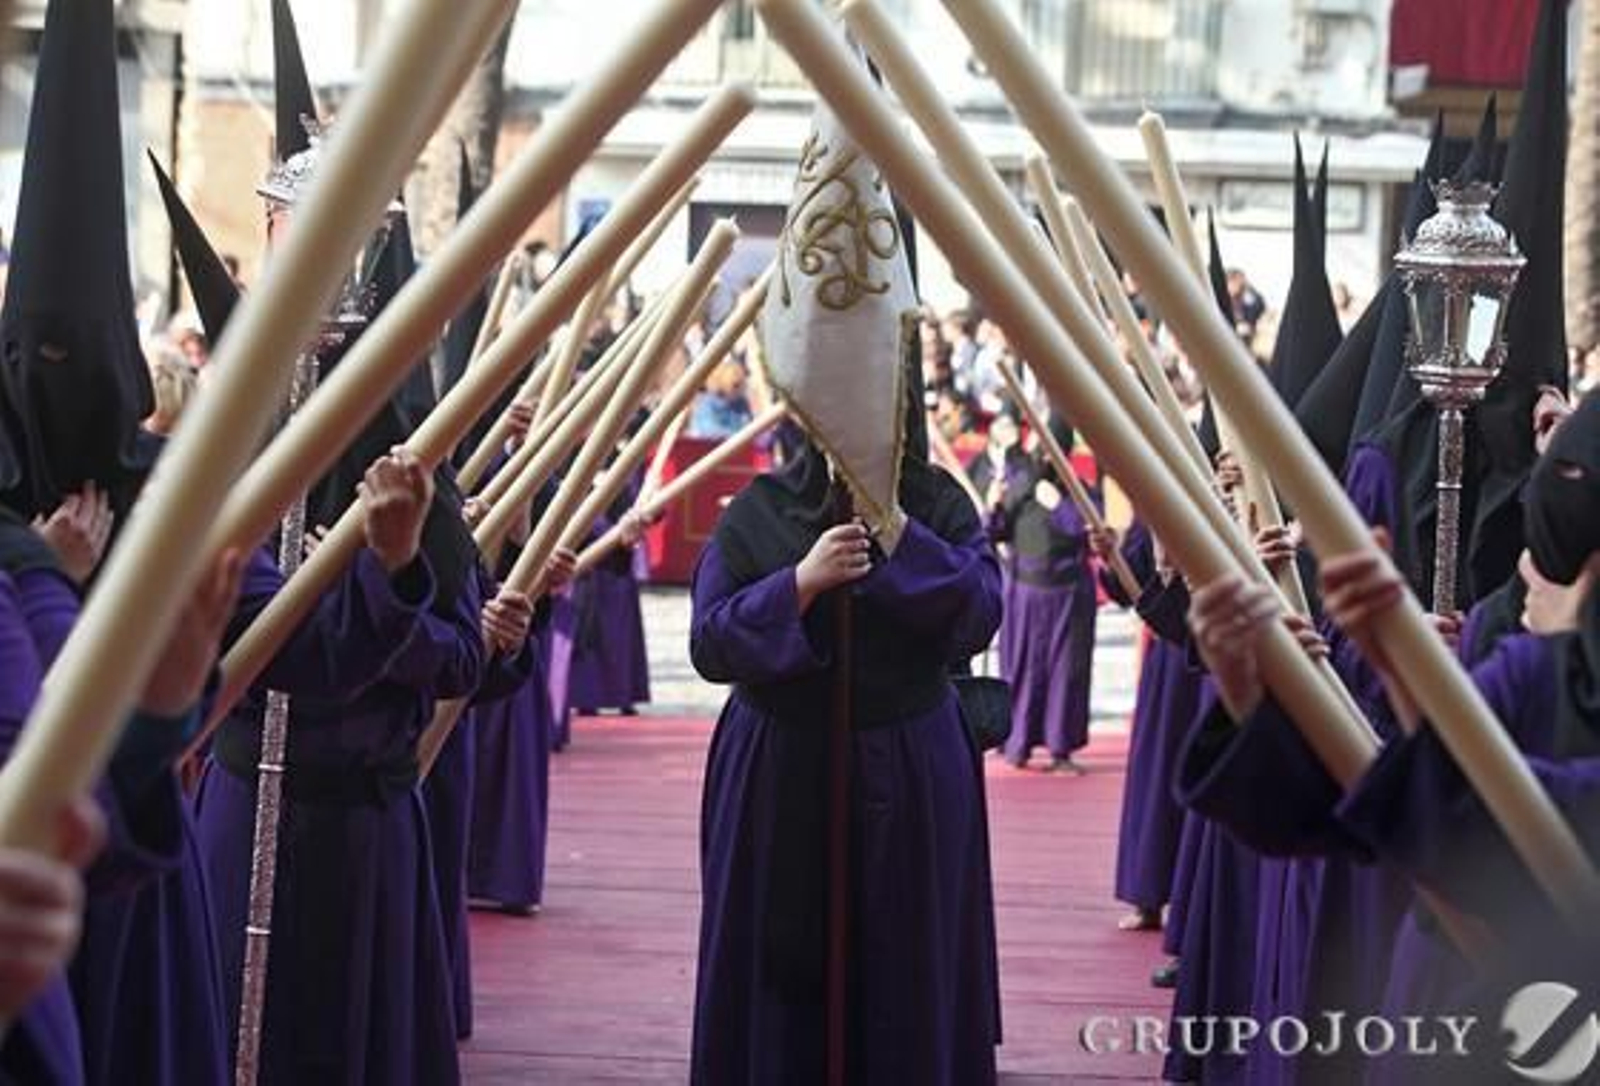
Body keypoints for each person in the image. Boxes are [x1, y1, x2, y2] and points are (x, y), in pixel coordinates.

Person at [991, 415, 1099, 773]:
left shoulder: (1078, 490)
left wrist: (1059, 505)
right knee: (1021, 669)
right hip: (1025, 591)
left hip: (1068, 593)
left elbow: (1092, 532)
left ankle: (1060, 748)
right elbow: (994, 531)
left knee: (1065, 673)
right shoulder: (1022, 482)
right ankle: (1016, 743)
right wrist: (997, 502)